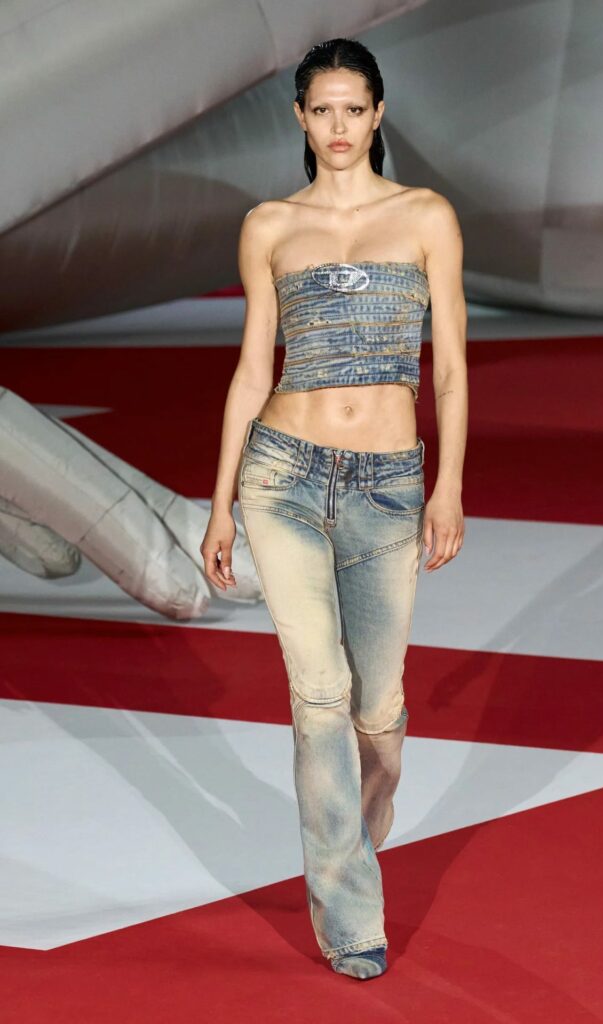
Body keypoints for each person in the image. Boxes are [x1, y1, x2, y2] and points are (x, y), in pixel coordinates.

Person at [200, 37, 467, 980]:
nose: (339, 125)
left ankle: (359, 826)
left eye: (355, 108)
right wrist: (222, 501)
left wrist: (448, 485)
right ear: (301, 119)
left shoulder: (425, 215)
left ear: (378, 114)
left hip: (388, 483)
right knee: (318, 696)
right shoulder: (270, 224)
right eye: (322, 110)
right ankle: (350, 916)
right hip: (282, 475)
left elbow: (450, 365)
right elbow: (251, 370)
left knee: (376, 711)